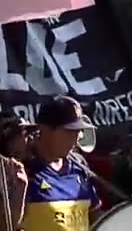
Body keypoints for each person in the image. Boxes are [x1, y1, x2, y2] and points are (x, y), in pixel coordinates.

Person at [12, 96, 100, 231]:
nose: (76, 139)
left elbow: (95, 215)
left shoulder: (80, 169)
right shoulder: (22, 171)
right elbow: (6, 223)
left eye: (78, 131)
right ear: (45, 130)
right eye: (69, 131)